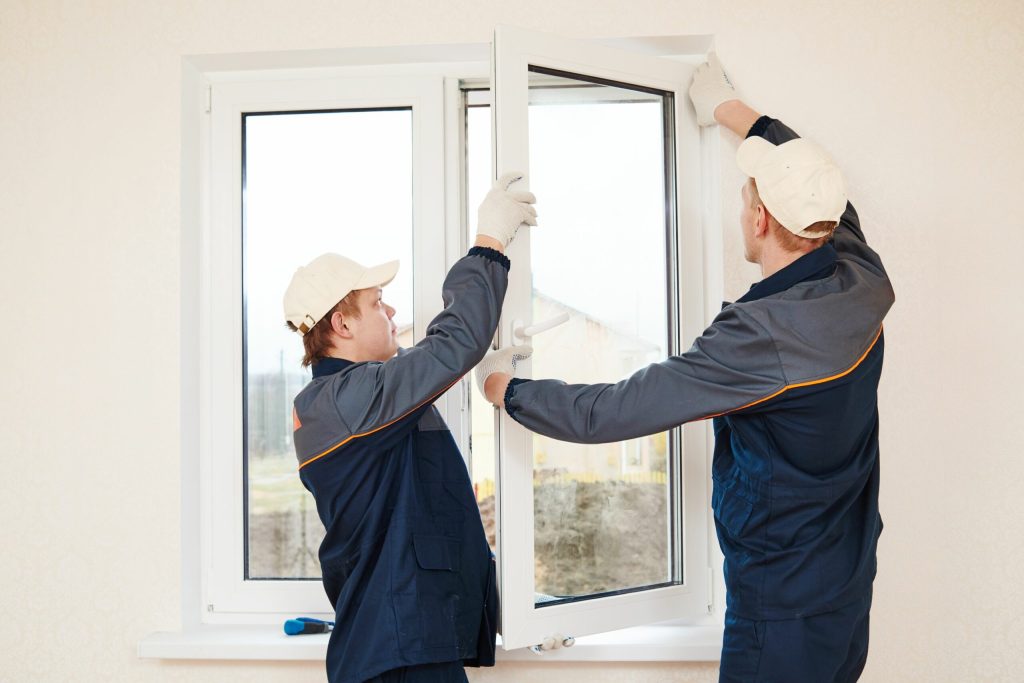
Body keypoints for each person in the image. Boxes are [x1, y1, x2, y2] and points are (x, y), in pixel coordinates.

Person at [477, 55, 894, 683]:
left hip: (778, 609)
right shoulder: (861, 274)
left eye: (747, 196)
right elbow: (814, 174)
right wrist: (731, 110)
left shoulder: (760, 338)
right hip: (845, 582)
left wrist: (506, 389)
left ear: (757, 220)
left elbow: (612, 410)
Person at [283, 173, 537, 683]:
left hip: (400, 647)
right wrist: (489, 243)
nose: (392, 311)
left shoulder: (352, 401)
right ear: (343, 324)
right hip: (397, 656)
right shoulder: (345, 400)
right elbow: (449, 346)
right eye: (377, 302)